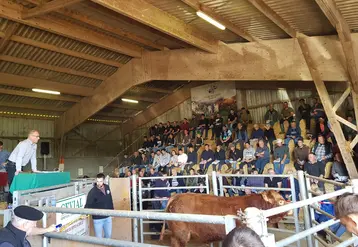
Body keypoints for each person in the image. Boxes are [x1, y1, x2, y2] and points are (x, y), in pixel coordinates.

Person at [6, 130, 40, 204]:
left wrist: (34, 169)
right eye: (37, 136)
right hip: (12, 165)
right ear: (31, 136)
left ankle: (17, 202)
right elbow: (19, 156)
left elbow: (33, 158)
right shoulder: (24, 144)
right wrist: (18, 169)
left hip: (19, 165)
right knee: (13, 184)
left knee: (19, 184)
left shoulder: (35, 145)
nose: (38, 138)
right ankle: (9, 203)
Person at [85, 173, 114, 239]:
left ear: (103, 181)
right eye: (97, 181)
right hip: (98, 218)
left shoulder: (107, 187)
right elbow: (88, 203)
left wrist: (112, 211)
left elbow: (110, 199)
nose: (99, 183)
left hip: (108, 216)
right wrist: (85, 212)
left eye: (100, 181)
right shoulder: (92, 192)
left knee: (108, 235)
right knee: (99, 238)